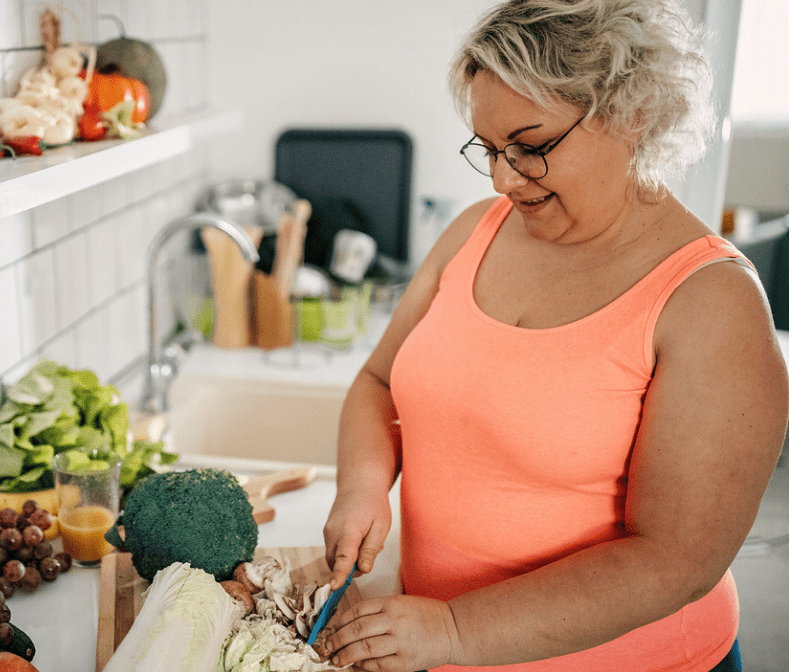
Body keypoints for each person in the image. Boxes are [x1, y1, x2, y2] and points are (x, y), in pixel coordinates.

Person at [320, 1, 788, 670]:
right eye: (489, 150)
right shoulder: (473, 232)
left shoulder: (712, 301)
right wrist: (363, 485)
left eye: (532, 147)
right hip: (439, 650)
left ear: (633, 114)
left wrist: (453, 629)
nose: (504, 179)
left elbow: (676, 563)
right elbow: (377, 382)